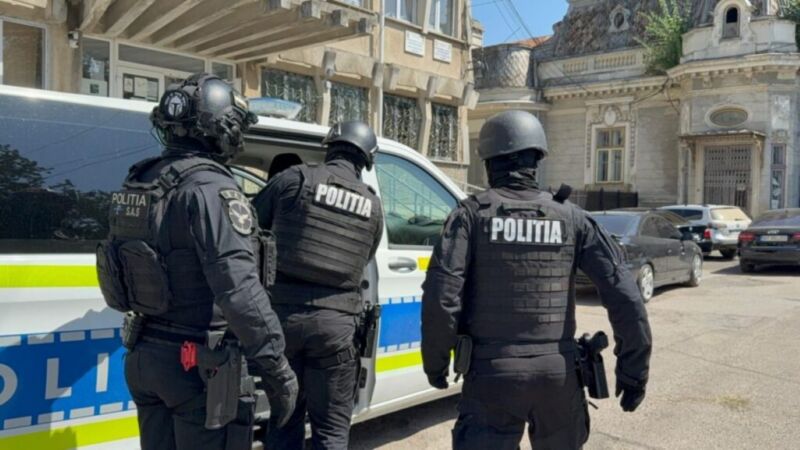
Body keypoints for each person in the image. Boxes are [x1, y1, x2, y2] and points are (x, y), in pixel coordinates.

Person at [420, 110, 652, 450]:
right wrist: (633, 372)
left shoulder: (470, 216)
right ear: (537, 159)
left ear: (489, 162)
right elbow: (625, 296)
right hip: (558, 376)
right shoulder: (573, 218)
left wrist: (436, 362)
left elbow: (442, 297)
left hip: (490, 376)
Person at [96, 73, 298, 450]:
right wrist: (278, 368)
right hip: (197, 366)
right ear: (222, 129)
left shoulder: (141, 181)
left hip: (145, 355)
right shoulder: (211, 189)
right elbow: (240, 290)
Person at [252, 121, 384, 449]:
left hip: (281, 323)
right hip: (336, 329)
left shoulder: (293, 179)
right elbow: (365, 257)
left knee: (284, 420)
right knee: (332, 431)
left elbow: (247, 229)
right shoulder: (372, 205)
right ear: (366, 160)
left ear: (330, 147)